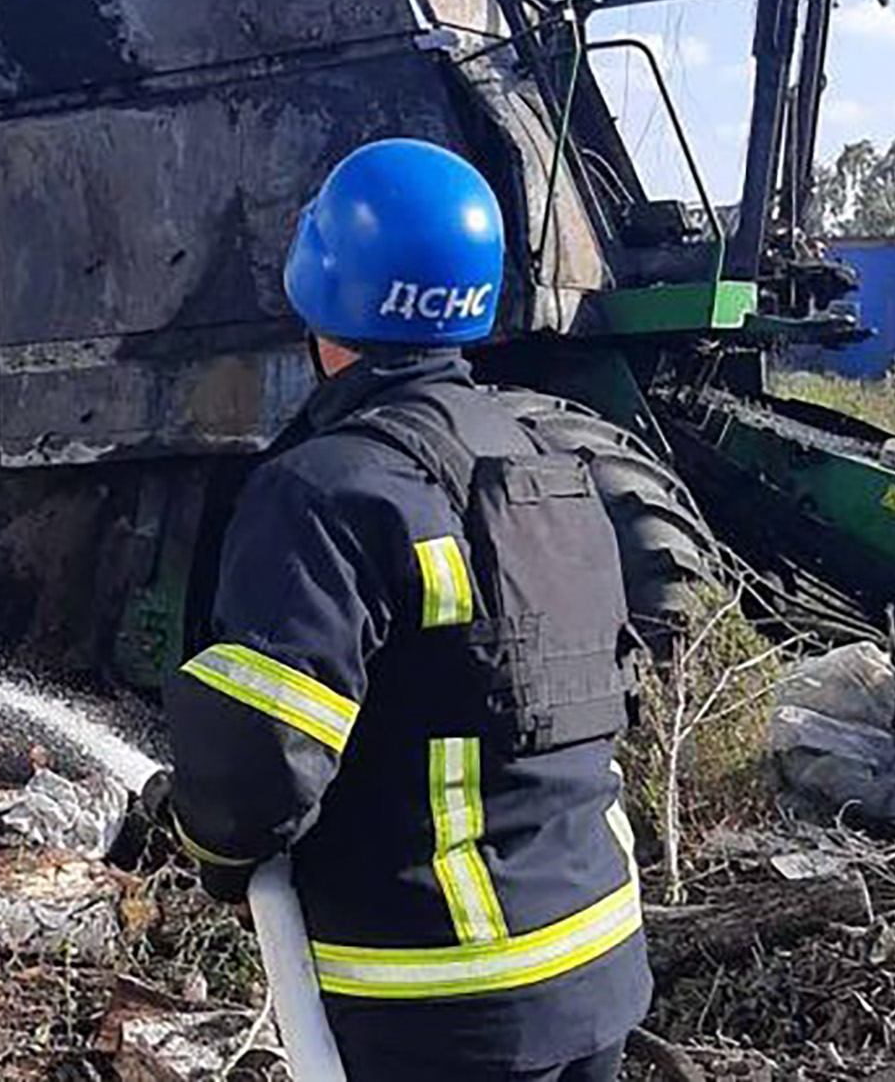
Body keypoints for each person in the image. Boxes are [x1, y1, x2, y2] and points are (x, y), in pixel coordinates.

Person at [150, 138, 650, 1081]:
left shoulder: (324, 490)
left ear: (318, 282)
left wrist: (206, 839)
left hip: (445, 1004)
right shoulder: (551, 463)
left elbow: (257, 763)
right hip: (596, 965)